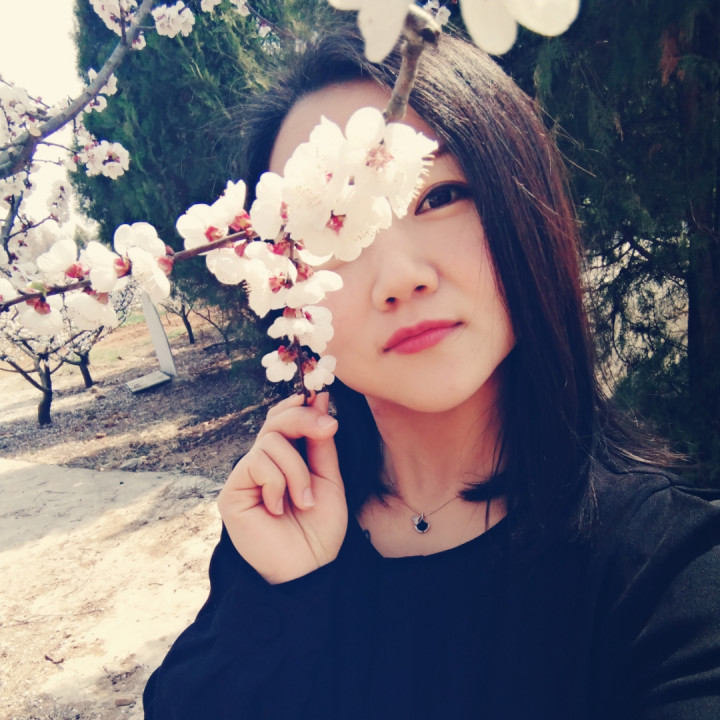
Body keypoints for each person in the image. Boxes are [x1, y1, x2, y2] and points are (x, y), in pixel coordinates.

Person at [143, 28, 720, 719]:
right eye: (331, 231)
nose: (400, 278)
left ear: (521, 198)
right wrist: (277, 598)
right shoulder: (284, 529)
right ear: (285, 289)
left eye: (440, 197)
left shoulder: (666, 572)